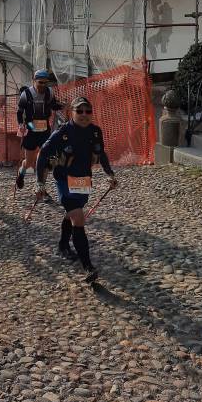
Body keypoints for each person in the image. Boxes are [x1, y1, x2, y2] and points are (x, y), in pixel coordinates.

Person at [36, 96, 117, 283]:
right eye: (79, 111)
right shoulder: (62, 132)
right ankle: (88, 266)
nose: (84, 114)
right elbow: (43, 155)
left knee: (72, 214)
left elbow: (101, 153)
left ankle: (63, 245)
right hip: (64, 179)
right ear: (71, 112)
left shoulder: (95, 131)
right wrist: (40, 182)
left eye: (88, 111)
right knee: (79, 218)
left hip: (83, 180)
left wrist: (109, 174)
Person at [16, 69, 65, 191]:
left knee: (45, 159)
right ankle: (21, 173)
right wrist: (21, 124)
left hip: (45, 128)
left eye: (45, 83)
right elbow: (19, 111)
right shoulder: (26, 94)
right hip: (31, 128)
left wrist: (63, 105)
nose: (43, 85)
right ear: (34, 81)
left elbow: (53, 105)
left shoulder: (49, 92)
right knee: (29, 162)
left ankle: (41, 187)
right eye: (40, 82)